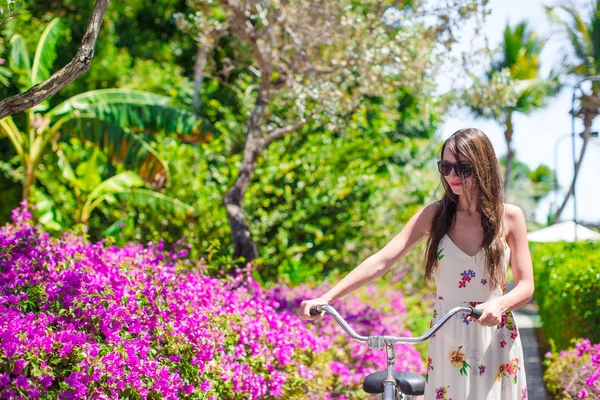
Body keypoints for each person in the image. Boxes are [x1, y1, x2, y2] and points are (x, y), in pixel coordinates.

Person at [300, 128, 534, 400]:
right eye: (445, 167)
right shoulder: (435, 216)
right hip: (449, 335)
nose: (451, 177)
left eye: (462, 168)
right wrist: (327, 297)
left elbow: (526, 285)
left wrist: (499, 305)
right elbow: (381, 260)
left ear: (483, 167)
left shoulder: (510, 217)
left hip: (494, 334)